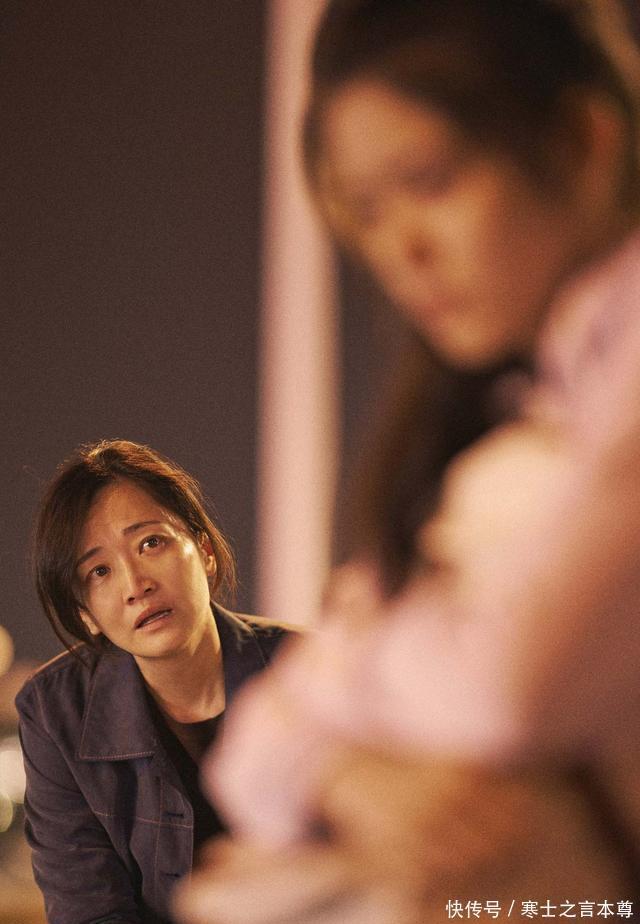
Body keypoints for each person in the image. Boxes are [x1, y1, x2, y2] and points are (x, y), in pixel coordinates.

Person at [174, 1, 640, 921]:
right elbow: (251, 755)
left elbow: (512, 686)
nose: (400, 249)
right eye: (366, 211)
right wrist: (350, 770)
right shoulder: (512, 400)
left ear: (583, 142)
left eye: (429, 181)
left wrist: (346, 676)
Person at [16, 439, 296, 924]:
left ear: (204, 551)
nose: (135, 585)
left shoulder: (306, 671)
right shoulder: (55, 713)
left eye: (151, 543)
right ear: (85, 614)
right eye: (99, 571)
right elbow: (89, 909)